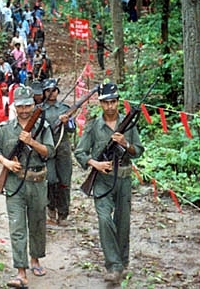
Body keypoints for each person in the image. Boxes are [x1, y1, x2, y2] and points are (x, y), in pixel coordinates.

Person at [74, 82, 144, 284]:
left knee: (122, 222)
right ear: (101, 104)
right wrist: (94, 163)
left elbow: (138, 151)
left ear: (118, 103)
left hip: (123, 178)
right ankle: (113, 265)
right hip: (102, 181)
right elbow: (80, 152)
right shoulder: (93, 126)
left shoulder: (128, 124)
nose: (110, 106)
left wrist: (125, 144)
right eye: (106, 103)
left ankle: (122, 262)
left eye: (113, 102)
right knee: (105, 220)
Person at [0, 86, 55, 288]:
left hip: (37, 181)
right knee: (17, 227)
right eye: (21, 106)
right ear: (15, 107)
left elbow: (49, 152)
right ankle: (20, 271)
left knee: (37, 224)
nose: (25, 110)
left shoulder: (42, 127)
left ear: (33, 105)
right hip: (14, 182)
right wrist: (6, 163)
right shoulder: (6, 128)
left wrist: (32, 142)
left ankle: (35, 259)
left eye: (28, 105)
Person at [41, 79, 76, 225]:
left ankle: (63, 213)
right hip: (47, 150)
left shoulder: (64, 108)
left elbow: (72, 128)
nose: (51, 93)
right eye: (48, 90)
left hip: (63, 149)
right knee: (50, 180)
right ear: (44, 92)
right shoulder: (40, 109)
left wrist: (66, 121)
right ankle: (51, 207)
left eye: (54, 90)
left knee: (64, 181)